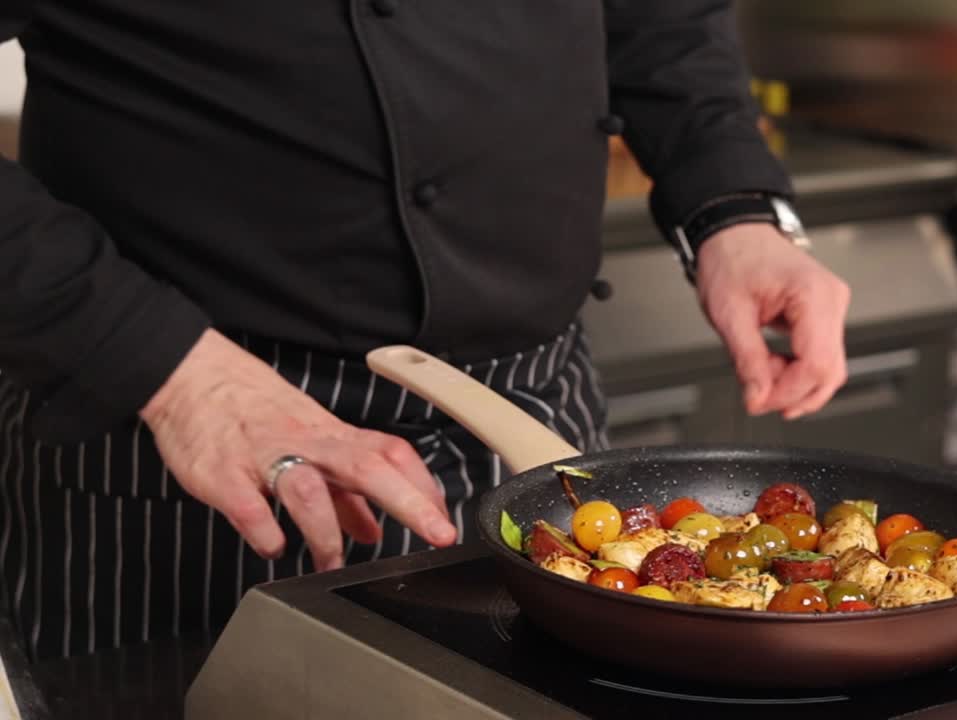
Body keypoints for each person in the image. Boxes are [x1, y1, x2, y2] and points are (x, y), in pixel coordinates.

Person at [0, 1, 851, 662]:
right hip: (193, 428)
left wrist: (731, 209)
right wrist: (171, 371)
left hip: (534, 408)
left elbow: (659, 19)